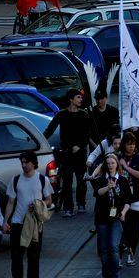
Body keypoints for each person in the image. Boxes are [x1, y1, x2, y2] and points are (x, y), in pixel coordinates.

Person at [3, 151, 53, 278]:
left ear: (33, 163)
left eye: (26, 162)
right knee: (16, 259)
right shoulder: (15, 180)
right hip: (17, 223)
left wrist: (39, 204)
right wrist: (5, 221)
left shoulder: (42, 179)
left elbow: (49, 200)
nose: (24, 165)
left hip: (35, 224)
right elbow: (10, 202)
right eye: (22, 162)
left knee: (33, 259)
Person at [43, 88, 94, 217]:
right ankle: (68, 208)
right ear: (71, 99)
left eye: (81, 98)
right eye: (78, 97)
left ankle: (81, 204)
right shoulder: (61, 115)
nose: (81, 99)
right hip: (66, 152)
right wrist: (40, 141)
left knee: (81, 179)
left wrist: (80, 146)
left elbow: (87, 134)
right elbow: (49, 130)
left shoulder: (84, 114)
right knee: (66, 181)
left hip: (80, 152)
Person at [93, 154, 131, 278]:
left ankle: (114, 275)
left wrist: (124, 212)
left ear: (117, 165)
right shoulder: (100, 180)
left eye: (112, 163)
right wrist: (108, 187)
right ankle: (106, 275)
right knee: (103, 249)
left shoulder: (123, 180)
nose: (110, 165)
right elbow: (97, 193)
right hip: (102, 218)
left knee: (114, 247)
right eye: (108, 163)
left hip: (116, 217)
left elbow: (127, 200)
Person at [118, 132, 139, 267]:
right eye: (129, 144)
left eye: (133, 144)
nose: (131, 147)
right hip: (122, 199)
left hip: (137, 197)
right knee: (123, 227)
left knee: (134, 227)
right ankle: (120, 252)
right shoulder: (118, 158)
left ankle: (132, 253)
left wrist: (126, 167)